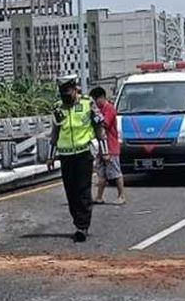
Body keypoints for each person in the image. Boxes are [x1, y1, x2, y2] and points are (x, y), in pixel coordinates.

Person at [47, 75, 109, 242]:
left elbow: (99, 129)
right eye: (62, 93)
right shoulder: (58, 108)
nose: (65, 96)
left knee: (83, 190)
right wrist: (50, 156)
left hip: (83, 154)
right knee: (70, 192)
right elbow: (55, 133)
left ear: (74, 89)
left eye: (67, 92)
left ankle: (82, 226)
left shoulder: (87, 104)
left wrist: (105, 152)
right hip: (66, 155)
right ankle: (77, 220)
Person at [90, 87, 126, 205]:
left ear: (101, 98)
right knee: (101, 173)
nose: (95, 103)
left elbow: (104, 124)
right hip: (101, 146)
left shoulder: (109, 109)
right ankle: (99, 196)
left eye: (96, 100)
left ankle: (121, 195)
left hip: (111, 146)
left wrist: (95, 117)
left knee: (115, 172)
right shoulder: (99, 110)